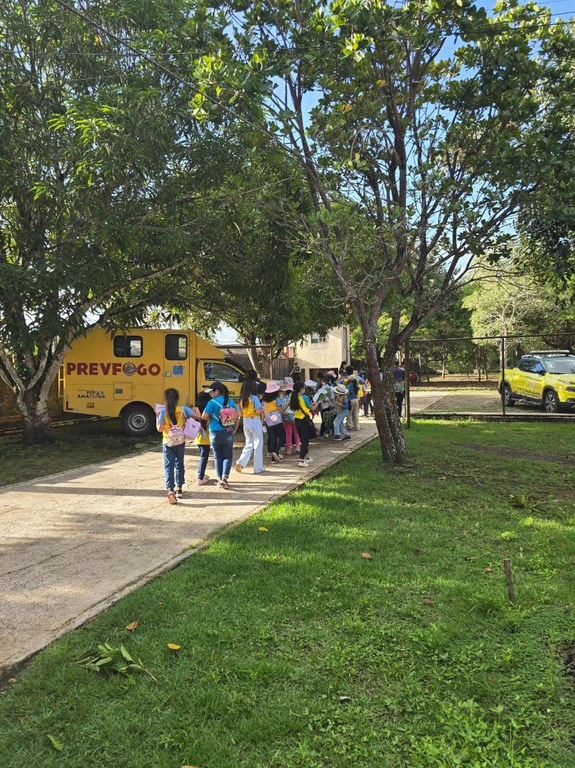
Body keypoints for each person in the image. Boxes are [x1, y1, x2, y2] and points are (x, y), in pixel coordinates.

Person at [156, 388, 196, 504]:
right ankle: (179, 489)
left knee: (169, 466)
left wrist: (157, 417)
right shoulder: (183, 409)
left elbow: (159, 429)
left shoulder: (163, 411)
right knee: (180, 464)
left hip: (168, 441)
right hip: (181, 441)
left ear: (166, 399)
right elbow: (196, 416)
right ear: (177, 398)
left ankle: (170, 490)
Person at [201, 381, 238, 489]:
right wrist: (233, 430)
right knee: (228, 456)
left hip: (214, 432)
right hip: (228, 431)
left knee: (217, 457)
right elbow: (235, 417)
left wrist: (212, 415)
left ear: (216, 391)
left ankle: (219, 479)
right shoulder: (230, 402)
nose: (210, 394)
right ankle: (224, 477)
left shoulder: (212, 403)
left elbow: (203, 416)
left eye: (211, 392)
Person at [235, 378, 265, 474]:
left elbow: (239, 414)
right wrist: (262, 409)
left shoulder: (241, 399)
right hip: (255, 421)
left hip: (246, 422)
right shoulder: (254, 398)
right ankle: (258, 468)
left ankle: (241, 462)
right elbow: (258, 411)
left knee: (249, 443)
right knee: (258, 445)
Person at [291, 380, 314, 467]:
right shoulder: (302, 398)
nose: (305, 389)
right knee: (305, 441)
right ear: (301, 389)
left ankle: (306, 457)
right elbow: (309, 408)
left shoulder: (293, 397)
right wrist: (317, 403)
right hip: (304, 420)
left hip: (297, 420)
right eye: (304, 388)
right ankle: (301, 460)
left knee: (303, 439)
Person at [262, 381, 285, 463]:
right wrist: (287, 405)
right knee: (282, 436)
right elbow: (281, 410)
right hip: (277, 420)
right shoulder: (276, 399)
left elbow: (263, 412)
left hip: (268, 421)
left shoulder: (264, 401)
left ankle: (273, 458)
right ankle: (276, 451)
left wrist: (263, 422)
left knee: (273, 437)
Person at [280, 379, 300, 455]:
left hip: (285, 417)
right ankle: (297, 446)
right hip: (294, 416)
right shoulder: (295, 396)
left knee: (288, 434)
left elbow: (282, 406)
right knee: (296, 433)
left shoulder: (283, 397)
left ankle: (288, 449)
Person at [194, 414, 211, 486]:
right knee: (204, 459)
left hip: (198, 440)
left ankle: (201, 474)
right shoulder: (208, 419)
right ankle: (200, 478)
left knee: (202, 458)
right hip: (206, 441)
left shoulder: (200, 419)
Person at [345, 366, 360, 431]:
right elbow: (359, 388)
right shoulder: (356, 386)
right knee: (356, 414)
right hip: (356, 400)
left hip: (350, 400)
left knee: (349, 414)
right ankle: (357, 427)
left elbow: (347, 393)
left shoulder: (348, 386)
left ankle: (350, 426)